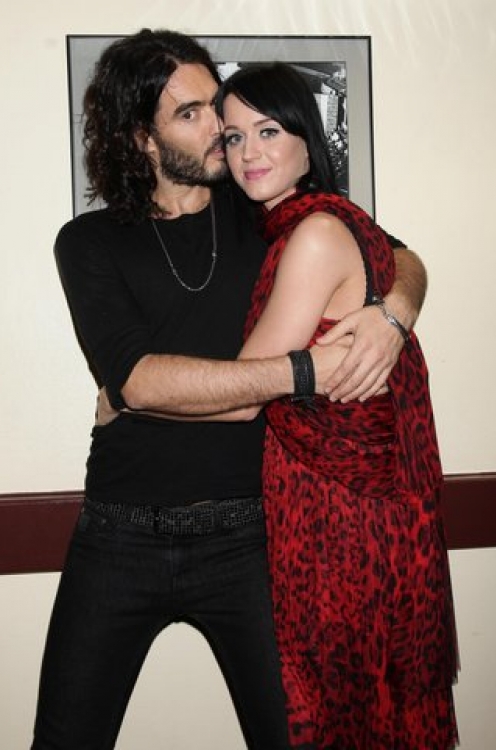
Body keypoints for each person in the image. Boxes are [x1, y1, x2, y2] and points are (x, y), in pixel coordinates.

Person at [31, 29, 427, 750]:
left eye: (215, 106)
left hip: (249, 534)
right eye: (190, 114)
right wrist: (305, 371)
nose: (220, 128)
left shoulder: (262, 213)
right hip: (119, 532)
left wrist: (394, 314)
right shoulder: (89, 241)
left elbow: (396, 253)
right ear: (143, 139)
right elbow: (138, 380)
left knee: (297, 737)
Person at [210, 62, 459, 749]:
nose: (249, 152)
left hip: (338, 518)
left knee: (335, 709)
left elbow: (243, 396)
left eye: (268, 131)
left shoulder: (315, 232)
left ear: (306, 138)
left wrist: (131, 395)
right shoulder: (309, 223)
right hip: (349, 506)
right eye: (234, 137)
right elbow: (404, 256)